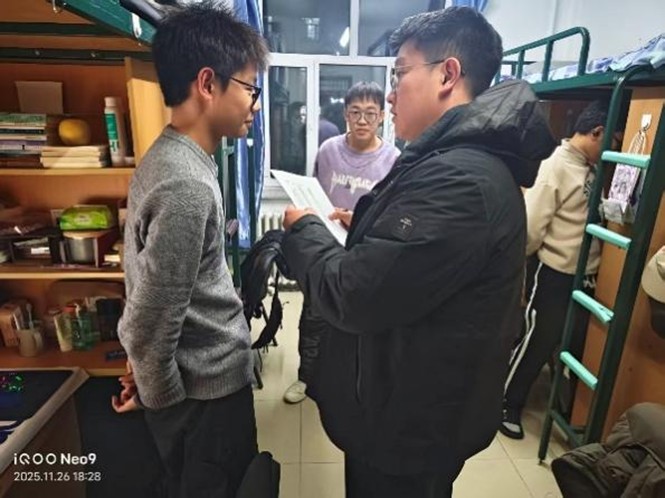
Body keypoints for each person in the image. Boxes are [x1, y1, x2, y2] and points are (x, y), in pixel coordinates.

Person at [280, 6, 556, 498]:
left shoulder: (460, 181)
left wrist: (304, 230)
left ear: (447, 74)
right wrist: (365, 227)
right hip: (405, 408)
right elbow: (411, 259)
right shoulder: (447, 162)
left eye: (400, 74)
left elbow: (353, 294)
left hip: (409, 432)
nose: (390, 94)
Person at [112, 4, 268, 497]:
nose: (255, 104)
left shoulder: (171, 157)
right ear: (207, 83)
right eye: (250, 88)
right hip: (204, 404)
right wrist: (160, 398)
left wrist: (147, 375)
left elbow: (152, 289)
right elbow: (152, 318)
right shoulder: (186, 185)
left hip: (197, 390)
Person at [501, 101, 622, 439]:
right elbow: (532, 225)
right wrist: (520, 271)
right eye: (611, 142)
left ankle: (570, 409)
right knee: (539, 339)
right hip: (553, 271)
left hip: (586, 275)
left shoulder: (589, 167)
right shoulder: (555, 165)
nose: (612, 151)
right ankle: (508, 402)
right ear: (597, 132)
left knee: (577, 341)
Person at [283, 81, 400, 404]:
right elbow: (314, 193)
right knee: (314, 316)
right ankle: (306, 378)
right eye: (355, 112)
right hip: (325, 248)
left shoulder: (393, 159)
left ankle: (348, 383)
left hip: (364, 252)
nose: (362, 120)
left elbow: (392, 214)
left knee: (356, 321)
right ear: (345, 114)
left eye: (370, 113)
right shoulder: (328, 151)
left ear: (382, 116)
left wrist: (357, 220)